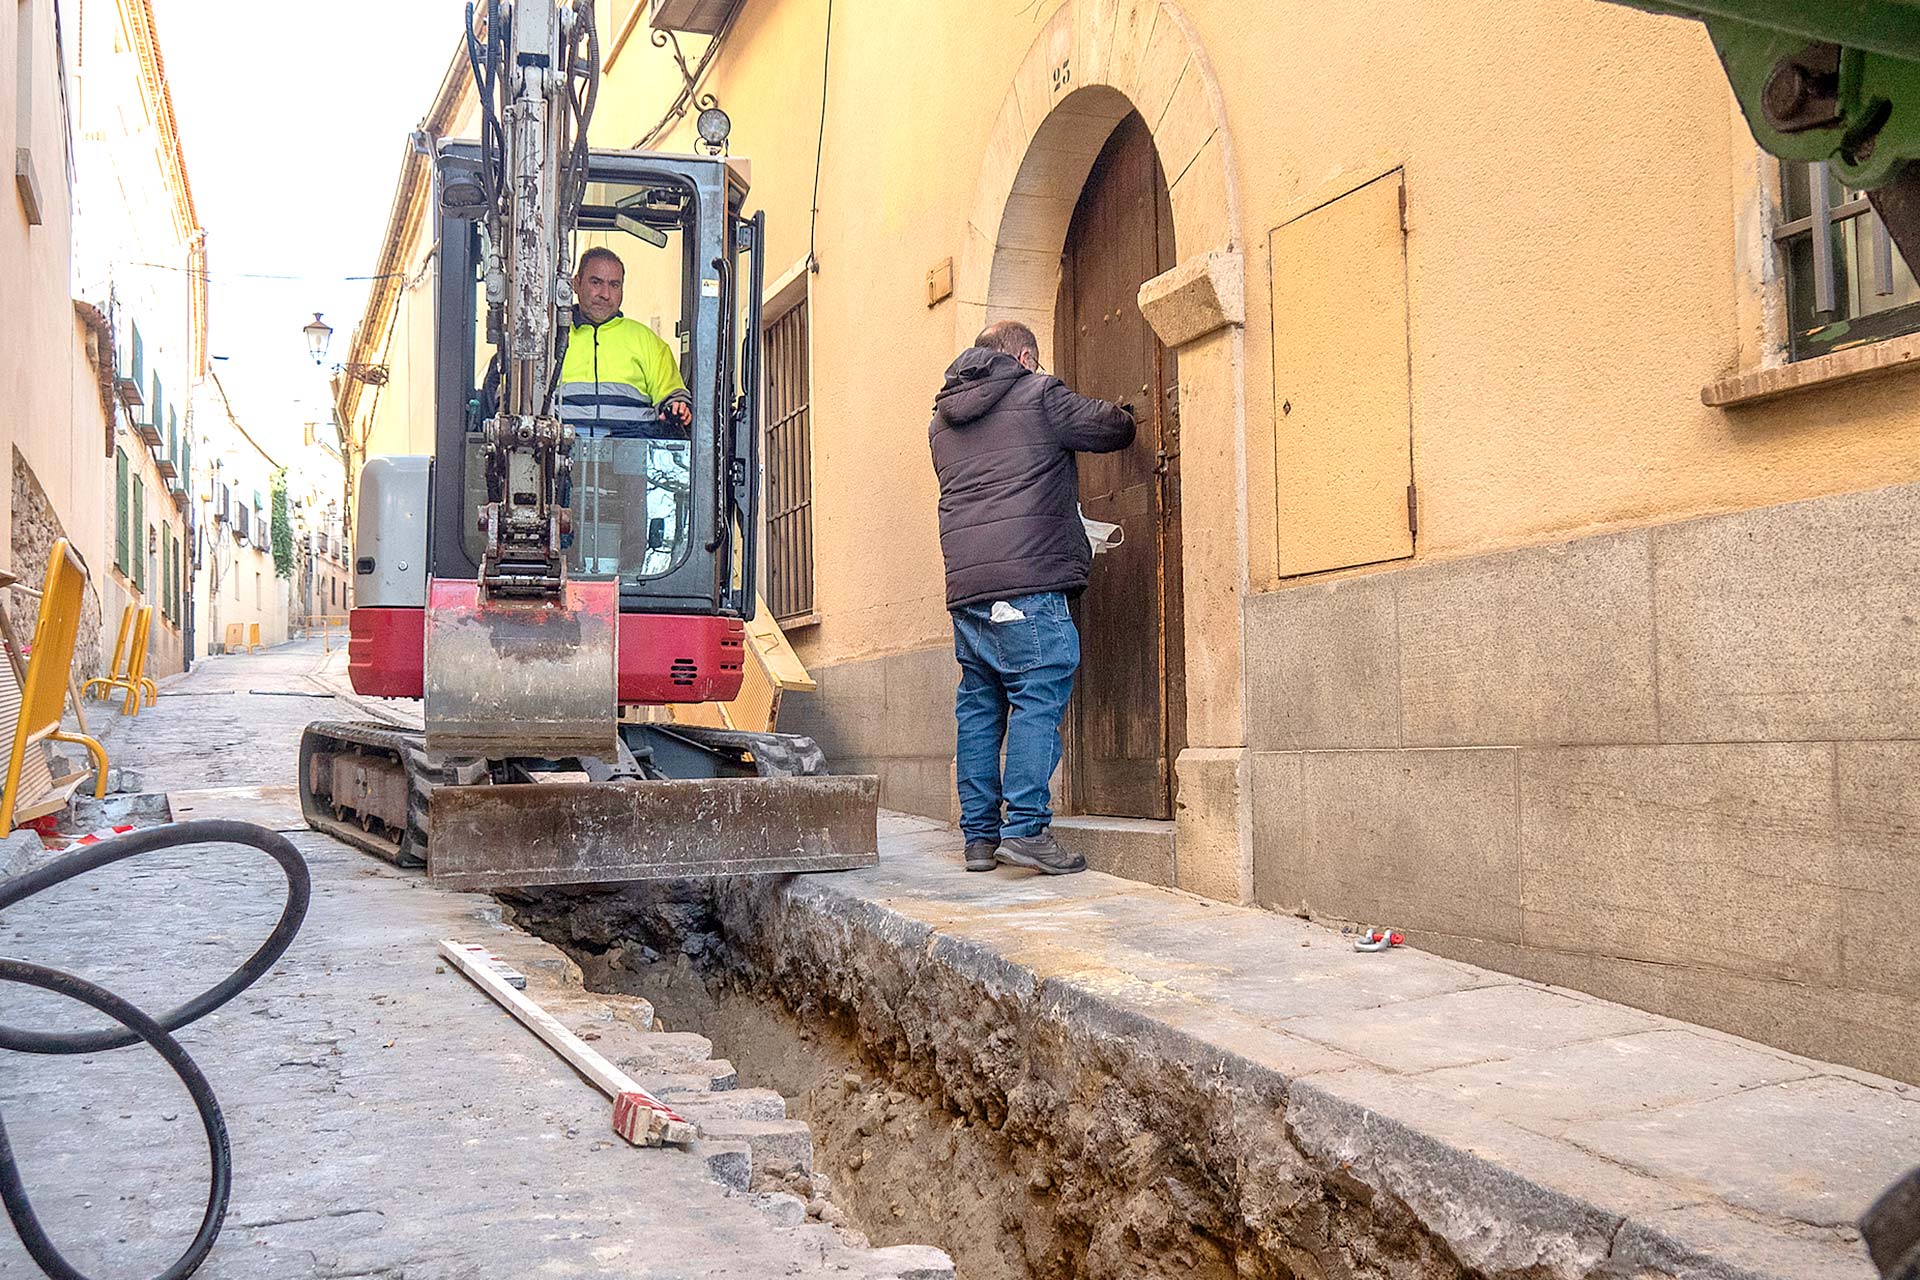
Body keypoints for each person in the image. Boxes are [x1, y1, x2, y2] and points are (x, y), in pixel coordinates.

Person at [928, 320, 1135, 875]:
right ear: (1024, 357)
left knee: (979, 705)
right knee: (1037, 693)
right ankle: (1026, 830)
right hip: (1029, 578)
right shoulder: (1038, 393)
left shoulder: (941, 422)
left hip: (968, 586)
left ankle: (979, 839)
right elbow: (1108, 427)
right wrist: (1127, 415)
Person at [559, 246, 692, 570]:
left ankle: (632, 575)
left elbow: (672, 392)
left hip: (628, 454)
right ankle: (562, 569)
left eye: (614, 284)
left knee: (637, 474)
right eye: (596, 282)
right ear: (576, 284)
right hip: (565, 451)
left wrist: (677, 405)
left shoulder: (645, 341)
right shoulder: (552, 335)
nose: (605, 294)